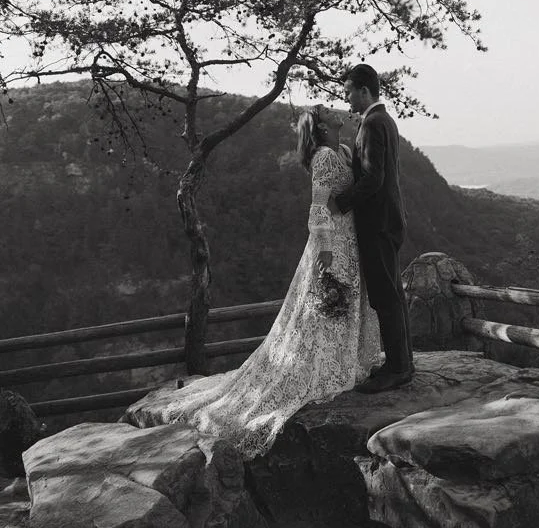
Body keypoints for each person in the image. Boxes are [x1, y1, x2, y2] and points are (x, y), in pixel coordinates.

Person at [123, 104, 381, 459]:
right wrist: (323, 248)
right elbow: (318, 207)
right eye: (324, 111)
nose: (332, 108)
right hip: (333, 242)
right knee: (325, 307)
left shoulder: (346, 151)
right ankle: (321, 369)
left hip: (352, 239)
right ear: (321, 128)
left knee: (346, 303)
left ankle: (345, 362)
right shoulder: (322, 157)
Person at [329, 63, 414, 393]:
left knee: (385, 297)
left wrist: (340, 202)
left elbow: (373, 179)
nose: (347, 97)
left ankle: (397, 368)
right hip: (388, 219)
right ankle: (402, 362)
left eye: (349, 91)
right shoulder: (385, 121)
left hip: (378, 223)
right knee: (392, 294)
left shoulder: (374, 123)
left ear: (364, 91)